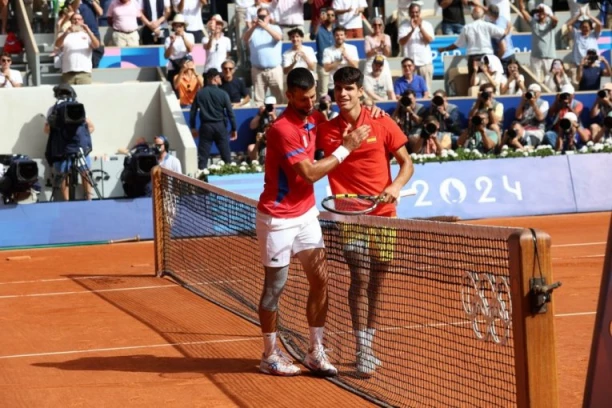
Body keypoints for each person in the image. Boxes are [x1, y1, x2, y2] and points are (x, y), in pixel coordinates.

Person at [255, 67, 371, 376]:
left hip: (306, 215)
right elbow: (308, 173)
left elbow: (338, 125)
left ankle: (314, 351)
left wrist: (362, 116)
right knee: (274, 288)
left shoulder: (315, 117)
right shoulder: (281, 129)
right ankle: (269, 354)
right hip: (277, 218)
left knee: (320, 279)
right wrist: (347, 149)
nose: (309, 103)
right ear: (288, 95)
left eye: (312, 97)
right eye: (302, 99)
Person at [316, 66, 414, 377]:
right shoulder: (325, 130)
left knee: (378, 283)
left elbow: (406, 162)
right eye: (337, 89)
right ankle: (363, 349)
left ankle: (369, 341)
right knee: (358, 278)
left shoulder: (382, 121)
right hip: (350, 217)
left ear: (360, 91)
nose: (342, 94)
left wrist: (395, 187)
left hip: (384, 216)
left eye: (348, 88)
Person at [43, 84, 95, 201]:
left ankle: (89, 198)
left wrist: (79, 135)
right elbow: (46, 129)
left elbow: (91, 127)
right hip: (62, 147)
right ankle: (67, 201)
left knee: (85, 172)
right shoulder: (54, 109)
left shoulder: (77, 108)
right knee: (63, 174)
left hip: (77, 147)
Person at [190, 68, 237, 170]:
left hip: (206, 126)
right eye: (219, 77)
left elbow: (193, 112)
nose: (221, 78)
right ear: (214, 78)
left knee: (203, 158)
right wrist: (234, 129)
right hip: (220, 126)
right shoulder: (223, 94)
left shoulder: (200, 94)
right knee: (226, 157)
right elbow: (230, 113)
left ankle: (201, 181)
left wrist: (193, 127)